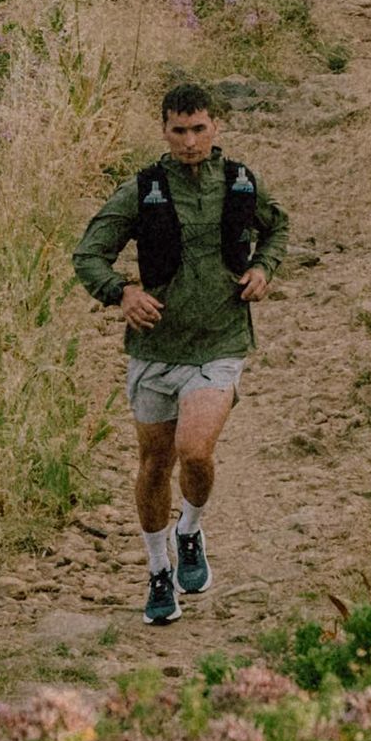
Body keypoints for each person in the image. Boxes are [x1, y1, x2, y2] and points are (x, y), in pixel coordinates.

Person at [73, 77, 287, 626]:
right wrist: (122, 292)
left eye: (198, 129)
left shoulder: (240, 182)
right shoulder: (143, 188)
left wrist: (264, 268)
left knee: (194, 451)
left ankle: (189, 529)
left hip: (220, 340)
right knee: (154, 464)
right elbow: (89, 254)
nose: (189, 141)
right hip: (155, 349)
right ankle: (158, 569)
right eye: (178, 131)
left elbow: (277, 227)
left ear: (216, 126)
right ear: (164, 131)